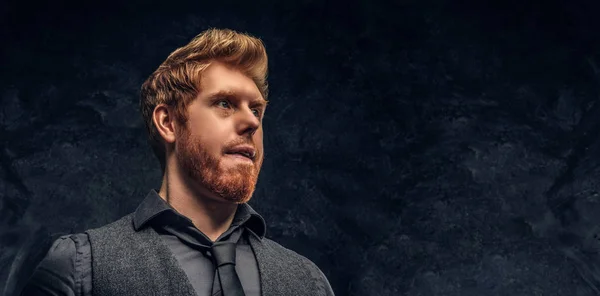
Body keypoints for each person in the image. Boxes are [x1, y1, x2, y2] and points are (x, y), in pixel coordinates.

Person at [21, 28, 335, 296]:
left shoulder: (309, 282)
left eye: (256, 110)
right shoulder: (78, 267)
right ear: (169, 122)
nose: (251, 123)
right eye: (225, 103)